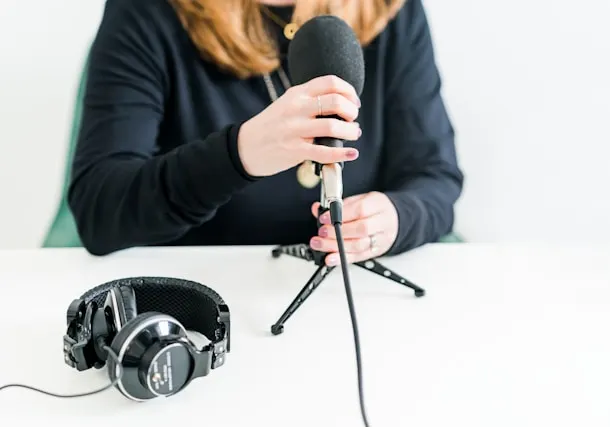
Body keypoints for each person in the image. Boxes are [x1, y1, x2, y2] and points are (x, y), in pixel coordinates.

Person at [68, 0, 464, 266]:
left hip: (351, 297)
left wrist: (396, 219)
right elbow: (100, 208)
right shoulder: (148, 12)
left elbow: (435, 176)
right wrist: (238, 155)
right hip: (201, 308)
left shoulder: (391, 10)